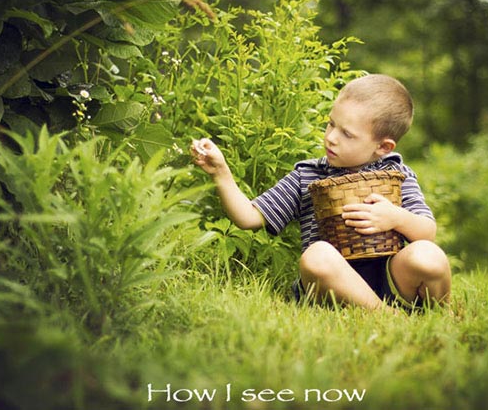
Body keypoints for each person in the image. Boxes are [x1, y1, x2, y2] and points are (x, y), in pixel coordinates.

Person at [190, 73, 451, 311]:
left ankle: (440, 314)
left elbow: (427, 232)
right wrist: (220, 173)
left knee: (429, 256)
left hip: (390, 279)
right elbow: (249, 217)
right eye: (331, 124)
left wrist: (395, 217)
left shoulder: (396, 175)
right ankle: (387, 317)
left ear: (383, 147)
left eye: (347, 134)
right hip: (330, 287)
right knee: (316, 255)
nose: (331, 137)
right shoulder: (308, 176)